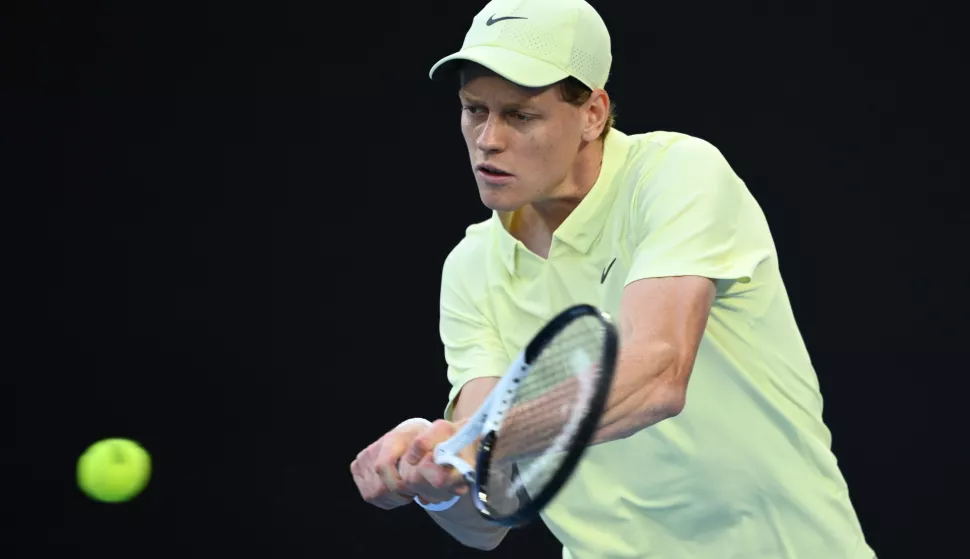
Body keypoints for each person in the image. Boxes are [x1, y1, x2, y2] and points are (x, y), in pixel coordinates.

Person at [350, 0, 876, 557]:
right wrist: (422, 476)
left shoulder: (676, 174)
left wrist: (470, 442)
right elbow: (489, 513)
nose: (488, 139)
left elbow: (656, 376)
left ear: (593, 113)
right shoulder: (470, 266)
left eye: (520, 115)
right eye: (474, 110)